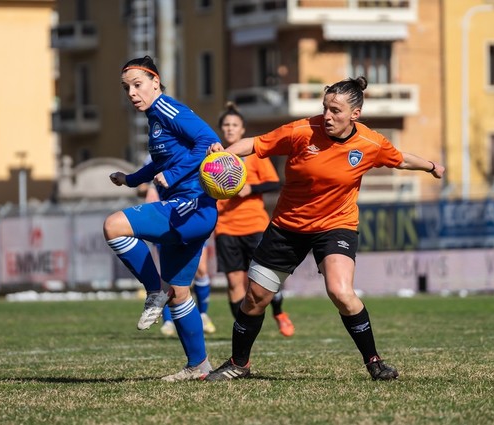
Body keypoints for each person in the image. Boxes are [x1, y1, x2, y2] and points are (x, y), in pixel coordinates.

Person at [204, 76, 444, 382]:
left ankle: (374, 362)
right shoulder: (301, 130)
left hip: (336, 225)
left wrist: (432, 166)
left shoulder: (370, 143)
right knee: (255, 299)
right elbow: (255, 143)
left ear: (355, 114)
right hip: (287, 226)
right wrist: (224, 154)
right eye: (325, 108)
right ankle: (239, 364)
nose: (327, 116)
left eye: (336, 111)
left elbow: (399, 159)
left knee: (341, 292)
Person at [104, 55, 218, 381]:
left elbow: (209, 142)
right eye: (126, 87)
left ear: (155, 82)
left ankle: (153, 290)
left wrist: (176, 173)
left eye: (137, 85)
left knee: (113, 226)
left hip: (190, 207)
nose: (131, 92)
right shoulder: (155, 118)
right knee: (180, 293)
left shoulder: (168, 109)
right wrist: (131, 179)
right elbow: (161, 161)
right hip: (190, 212)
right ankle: (199, 366)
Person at [215, 102, 294, 337]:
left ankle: (279, 313)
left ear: (242, 130)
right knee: (233, 282)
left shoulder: (253, 154)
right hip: (225, 227)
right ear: (222, 129)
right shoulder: (214, 158)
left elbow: (274, 183)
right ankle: (243, 329)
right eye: (226, 125)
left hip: (255, 225)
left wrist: (252, 188)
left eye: (234, 125)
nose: (230, 129)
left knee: (265, 279)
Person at [138, 179, 216, 338]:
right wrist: (150, 187)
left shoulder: (200, 155)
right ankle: (167, 320)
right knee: (168, 276)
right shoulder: (155, 156)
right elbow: (140, 186)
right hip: (168, 219)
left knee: (201, 270)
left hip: (195, 217)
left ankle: (203, 315)